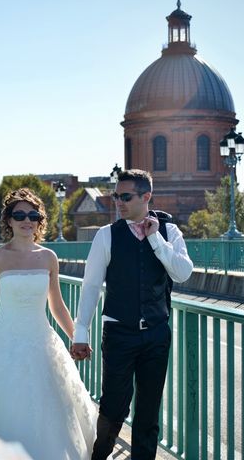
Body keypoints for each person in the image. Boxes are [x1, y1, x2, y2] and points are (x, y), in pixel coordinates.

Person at [0, 188, 96, 460]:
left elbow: (57, 305)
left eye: (33, 215)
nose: (27, 220)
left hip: (43, 343)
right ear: (9, 220)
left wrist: (77, 337)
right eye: (20, 215)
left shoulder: (49, 257)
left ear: (40, 220)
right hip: (4, 342)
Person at [70, 169, 193, 460]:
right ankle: (99, 455)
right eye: (116, 196)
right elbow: (90, 286)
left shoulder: (170, 232)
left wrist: (155, 240)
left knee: (148, 413)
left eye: (125, 197)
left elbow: (184, 273)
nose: (118, 203)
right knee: (114, 407)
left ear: (146, 197)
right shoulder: (106, 236)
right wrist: (80, 332)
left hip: (156, 334)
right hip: (119, 333)